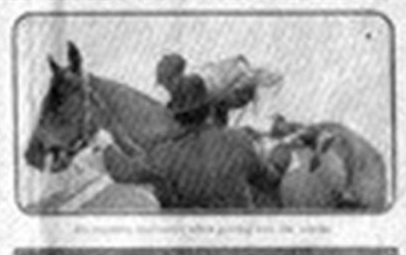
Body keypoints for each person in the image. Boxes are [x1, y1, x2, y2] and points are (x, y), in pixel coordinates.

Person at [101, 75, 282, 209]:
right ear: (207, 109)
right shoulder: (240, 141)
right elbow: (270, 178)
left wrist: (105, 145)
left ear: (176, 117)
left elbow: (124, 172)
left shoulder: (164, 155)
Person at [156, 52, 282, 127]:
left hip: (215, 94)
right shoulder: (191, 84)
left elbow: (190, 114)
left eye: (166, 82)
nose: (166, 87)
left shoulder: (194, 84)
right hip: (213, 95)